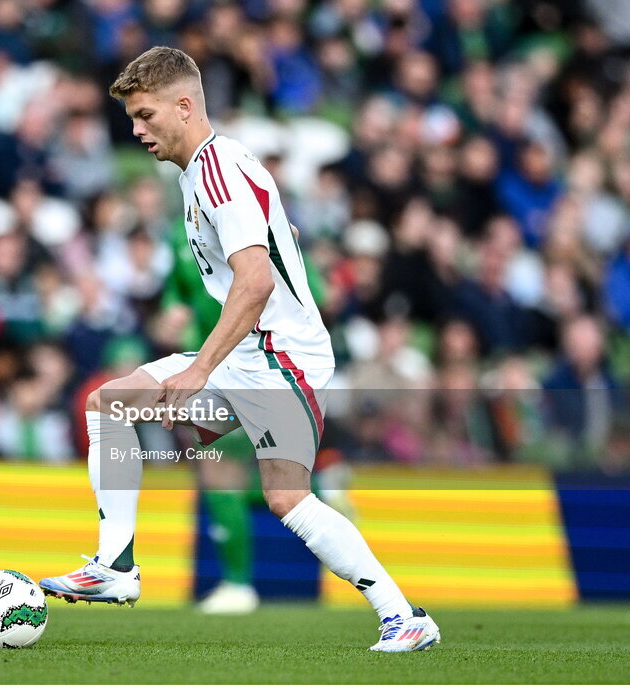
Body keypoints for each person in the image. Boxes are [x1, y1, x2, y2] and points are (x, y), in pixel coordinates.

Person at [39, 47, 439, 653]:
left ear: (184, 105)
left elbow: (256, 282)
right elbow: (269, 239)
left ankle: (402, 615)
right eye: (130, 119)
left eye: (145, 115)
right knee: (110, 407)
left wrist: (200, 369)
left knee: (286, 496)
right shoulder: (205, 170)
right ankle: (114, 567)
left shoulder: (215, 167)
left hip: (281, 357)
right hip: (248, 355)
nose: (137, 130)